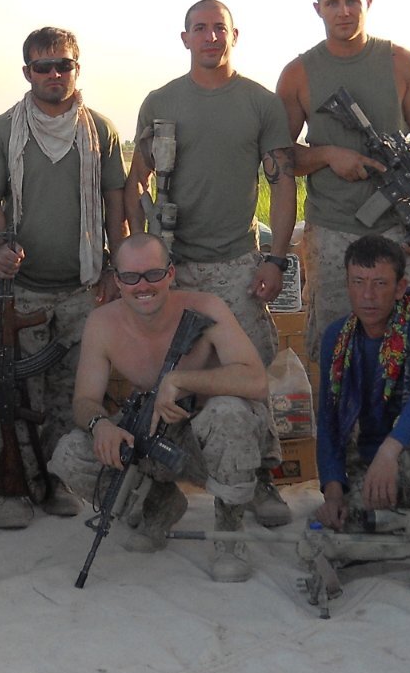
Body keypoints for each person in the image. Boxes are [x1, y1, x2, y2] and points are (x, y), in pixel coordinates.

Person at [126, 0, 297, 529]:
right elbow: (137, 182)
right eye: (199, 29)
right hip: (171, 268)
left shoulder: (260, 104)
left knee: (251, 369)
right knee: (162, 372)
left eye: (218, 29)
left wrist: (276, 259)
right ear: (185, 39)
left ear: (234, 35)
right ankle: (160, 483)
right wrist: (140, 255)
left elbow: (284, 182)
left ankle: (261, 476)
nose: (209, 38)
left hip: (236, 266)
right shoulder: (160, 102)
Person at [0, 27, 127, 530]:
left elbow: (115, 204)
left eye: (64, 65)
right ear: (27, 73)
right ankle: (11, 488)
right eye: (44, 67)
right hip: (23, 290)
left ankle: (59, 481)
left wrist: (111, 266)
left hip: (82, 289)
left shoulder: (99, 130)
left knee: (72, 396)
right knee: (16, 395)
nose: (55, 75)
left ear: (77, 69)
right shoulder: (3, 130)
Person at [49, 234, 268, 582]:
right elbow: (84, 400)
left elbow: (257, 381)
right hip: (152, 435)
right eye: (131, 277)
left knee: (229, 411)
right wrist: (100, 425)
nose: (143, 286)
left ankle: (230, 532)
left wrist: (181, 381)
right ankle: (158, 506)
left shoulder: (206, 308)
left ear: (170, 274)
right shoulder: (102, 324)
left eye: (153, 274)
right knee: (69, 455)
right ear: (117, 281)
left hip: (209, 439)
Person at [276, 0, 410, 367]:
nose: (343, 11)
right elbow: (281, 159)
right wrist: (327, 155)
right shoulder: (298, 74)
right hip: (332, 231)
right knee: (339, 348)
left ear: (367, 3)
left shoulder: (401, 63)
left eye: (352, 1)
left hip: (399, 230)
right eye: (332, 3)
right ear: (317, 9)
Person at [312, 235, 410, 530]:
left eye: (380, 283)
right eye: (358, 282)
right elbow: (329, 420)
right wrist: (333, 493)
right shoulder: (337, 337)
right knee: (351, 522)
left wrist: (389, 451)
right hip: (369, 459)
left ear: (400, 287)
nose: (368, 295)